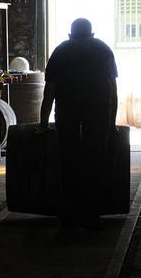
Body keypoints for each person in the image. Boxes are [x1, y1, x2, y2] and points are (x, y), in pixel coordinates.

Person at [39, 18, 118, 228]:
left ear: (70, 34)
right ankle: (93, 211)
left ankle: (71, 210)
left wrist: (43, 123)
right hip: (99, 112)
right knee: (95, 159)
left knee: (69, 159)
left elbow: (49, 92)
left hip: (67, 112)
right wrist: (112, 122)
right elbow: (113, 90)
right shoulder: (104, 50)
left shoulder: (60, 51)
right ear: (92, 33)